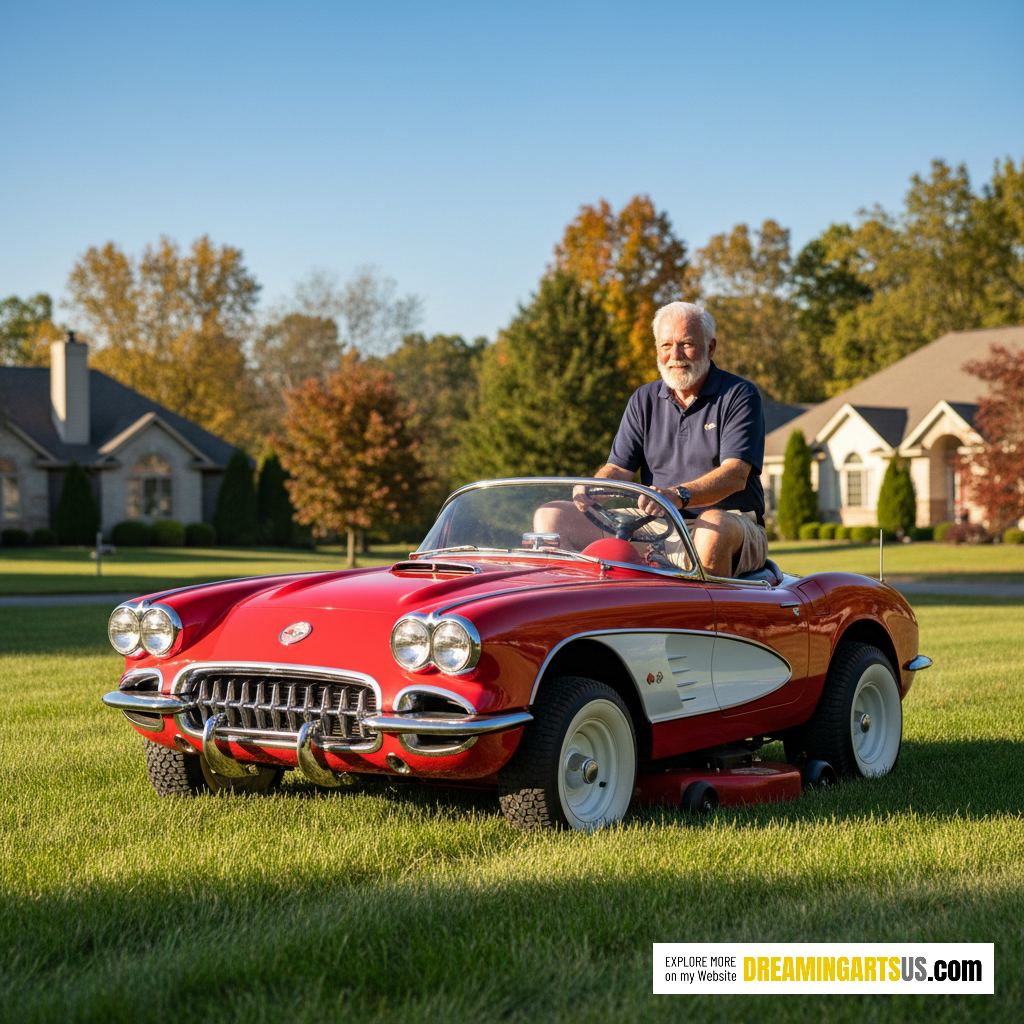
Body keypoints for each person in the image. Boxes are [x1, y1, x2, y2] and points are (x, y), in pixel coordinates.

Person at [534, 301, 768, 577]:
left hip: (731, 522)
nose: (675, 355)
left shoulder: (739, 395)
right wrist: (594, 488)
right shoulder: (644, 399)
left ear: (711, 347)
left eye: (687, 344)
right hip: (657, 522)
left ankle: (705, 619)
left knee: (711, 528)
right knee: (550, 515)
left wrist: (677, 495)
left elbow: (735, 474)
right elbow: (619, 468)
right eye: (666, 346)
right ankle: (580, 613)